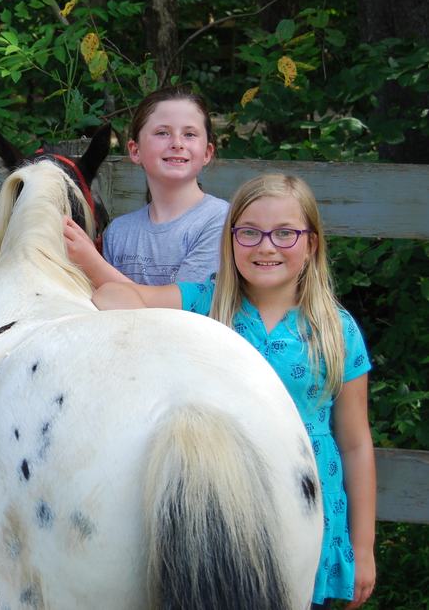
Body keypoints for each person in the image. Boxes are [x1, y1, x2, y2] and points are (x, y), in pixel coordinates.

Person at [91, 174, 376, 609]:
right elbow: (113, 296)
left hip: (309, 505)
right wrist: (160, 327)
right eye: (249, 232)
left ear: (312, 244)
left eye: (285, 233)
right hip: (219, 503)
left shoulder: (337, 330)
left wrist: (364, 546)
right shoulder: (204, 305)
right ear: (230, 240)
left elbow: (356, 444)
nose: (266, 246)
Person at [69, 86, 228, 285]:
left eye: (189, 134)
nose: (177, 143)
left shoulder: (220, 221)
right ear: (135, 151)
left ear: (207, 152)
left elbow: (185, 308)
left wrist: (93, 265)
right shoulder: (118, 232)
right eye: (162, 133)